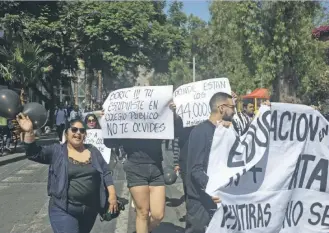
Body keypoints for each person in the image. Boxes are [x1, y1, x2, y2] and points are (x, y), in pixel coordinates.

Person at [17, 115, 118, 233]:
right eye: (74, 129)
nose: (78, 133)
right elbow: (33, 153)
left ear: (85, 135)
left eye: (82, 130)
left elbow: (106, 173)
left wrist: (112, 196)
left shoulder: (93, 151)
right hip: (63, 210)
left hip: (90, 211)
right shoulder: (57, 151)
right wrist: (29, 132)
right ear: (66, 133)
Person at [104, 103, 177, 233]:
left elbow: (174, 131)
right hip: (135, 168)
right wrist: (107, 122)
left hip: (156, 167)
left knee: (158, 215)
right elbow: (110, 143)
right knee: (143, 212)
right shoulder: (127, 122)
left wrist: (172, 114)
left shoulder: (156, 119)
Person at [185, 92, 236, 233]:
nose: (234, 111)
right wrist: (213, 190)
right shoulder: (200, 132)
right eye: (232, 107)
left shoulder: (227, 130)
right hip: (201, 203)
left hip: (220, 199)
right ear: (221, 108)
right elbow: (196, 169)